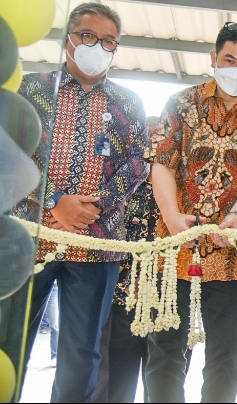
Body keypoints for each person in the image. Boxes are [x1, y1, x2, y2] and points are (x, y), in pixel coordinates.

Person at [11, 2, 150, 402]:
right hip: (30, 234)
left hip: (97, 243)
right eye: (88, 36)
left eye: (108, 41)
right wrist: (54, 202)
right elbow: (11, 152)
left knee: (82, 353)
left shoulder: (128, 102)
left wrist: (95, 208)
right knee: (11, 341)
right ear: (68, 39)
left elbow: (138, 163)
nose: (97, 46)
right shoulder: (31, 88)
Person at [144, 22, 237, 403]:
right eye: (229, 60)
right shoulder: (181, 102)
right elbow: (162, 162)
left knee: (224, 356)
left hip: (231, 256)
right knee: (165, 353)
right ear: (213, 59)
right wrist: (172, 218)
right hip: (174, 250)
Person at [91, 116, 161, 403]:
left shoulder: (177, 190)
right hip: (120, 298)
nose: (154, 147)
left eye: (161, 140)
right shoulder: (118, 186)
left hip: (164, 299)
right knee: (114, 383)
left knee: (162, 382)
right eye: (149, 139)